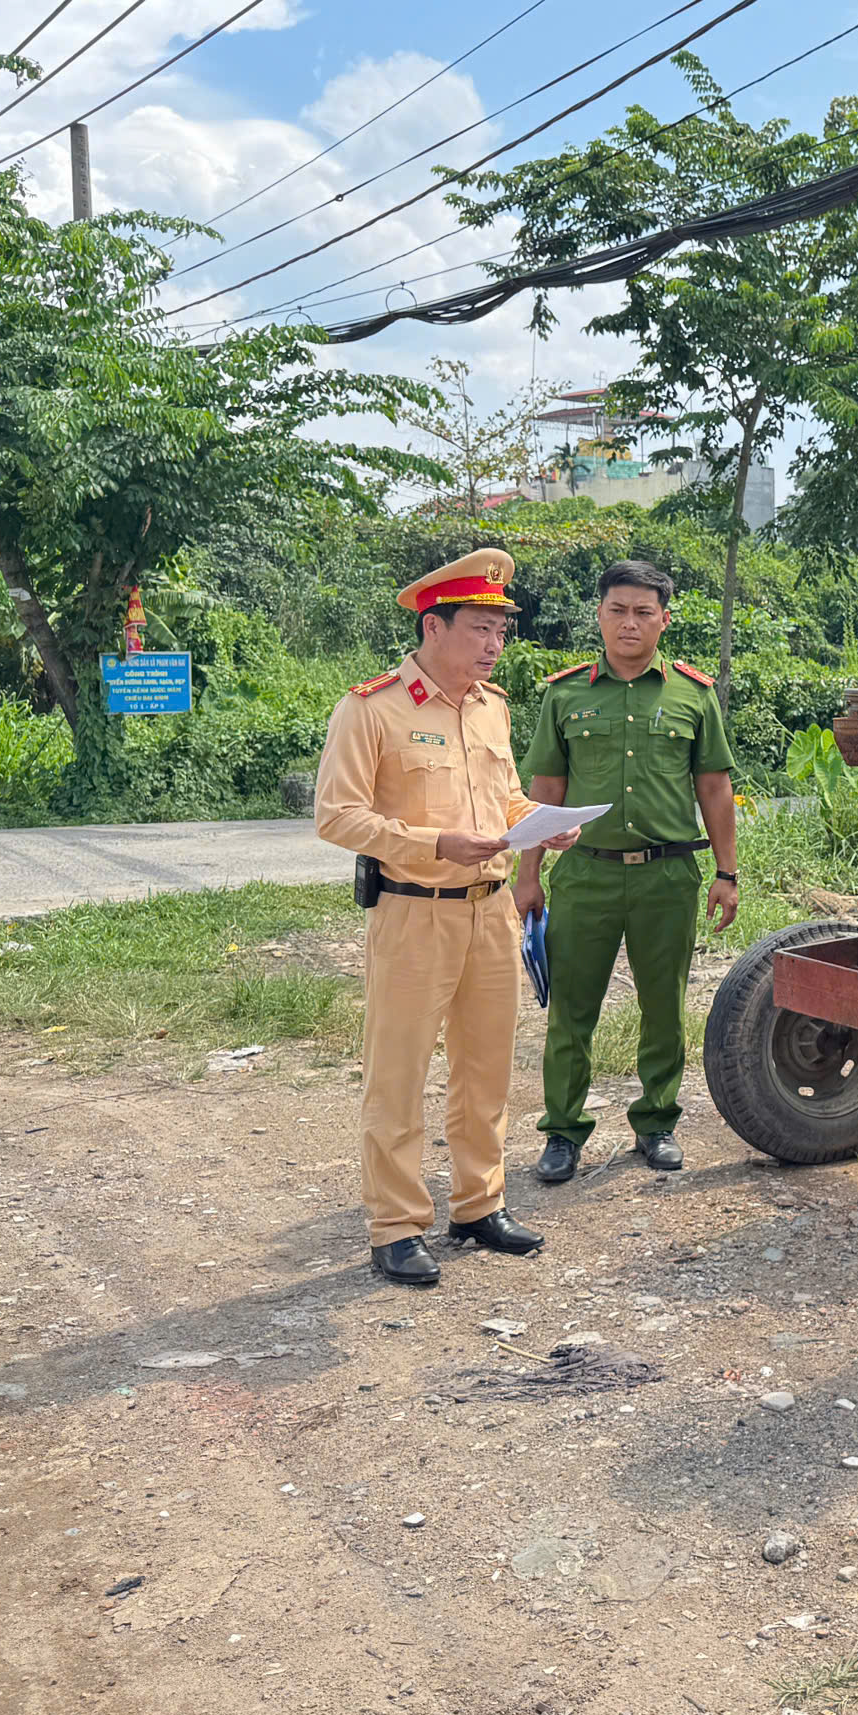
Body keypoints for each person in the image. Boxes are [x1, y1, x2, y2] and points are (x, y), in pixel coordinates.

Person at [314, 549, 582, 1288]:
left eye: (502, 630)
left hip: (490, 911)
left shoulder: (492, 708)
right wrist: (434, 844)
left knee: (485, 1069)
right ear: (434, 626)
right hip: (413, 913)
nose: (496, 644)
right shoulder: (372, 707)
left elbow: (503, 802)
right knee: (398, 1076)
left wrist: (543, 822)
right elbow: (336, 817)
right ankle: (396, 1227)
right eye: (481, 628)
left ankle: (478, 1205)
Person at [515, 560, 739, 1183]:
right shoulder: (566, 694)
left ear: (664, 620)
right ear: (600, 614)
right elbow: (545, 789)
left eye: (644, 612)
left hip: (667, 879)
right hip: (584, 875)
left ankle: (657, 1122)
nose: (630, 623)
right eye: (618, 610)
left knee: (663, 1005)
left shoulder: (693, 694)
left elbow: (715, 789)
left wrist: (728, 873)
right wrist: (526, 873)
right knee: (570, 1010)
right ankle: (562, 1132)